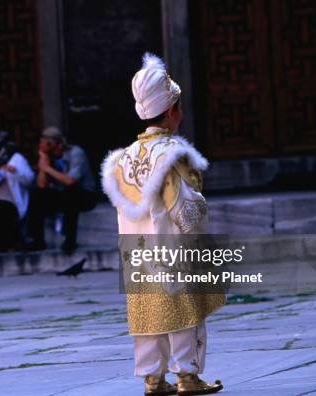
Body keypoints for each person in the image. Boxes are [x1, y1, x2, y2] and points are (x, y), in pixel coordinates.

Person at [101, 53, 224, 395]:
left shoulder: (124, 157)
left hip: (137, 252)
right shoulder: (170, 153)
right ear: (172, 112)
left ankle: (153, 379)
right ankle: (187, 375)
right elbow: (184, 211)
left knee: (148, 317)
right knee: (183, 312)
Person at [25, 126, 96, 253]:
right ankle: (37, 241)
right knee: (36, 194)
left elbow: (70, 180)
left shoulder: (76, 153)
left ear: (51, 143)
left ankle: (69, 240)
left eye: (42, 142)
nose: (40, 145)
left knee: (71, 192)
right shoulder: (48, 157)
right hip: (62, 194)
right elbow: (41, 185)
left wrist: (47, 169)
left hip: (83, 195)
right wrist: (43, 164)